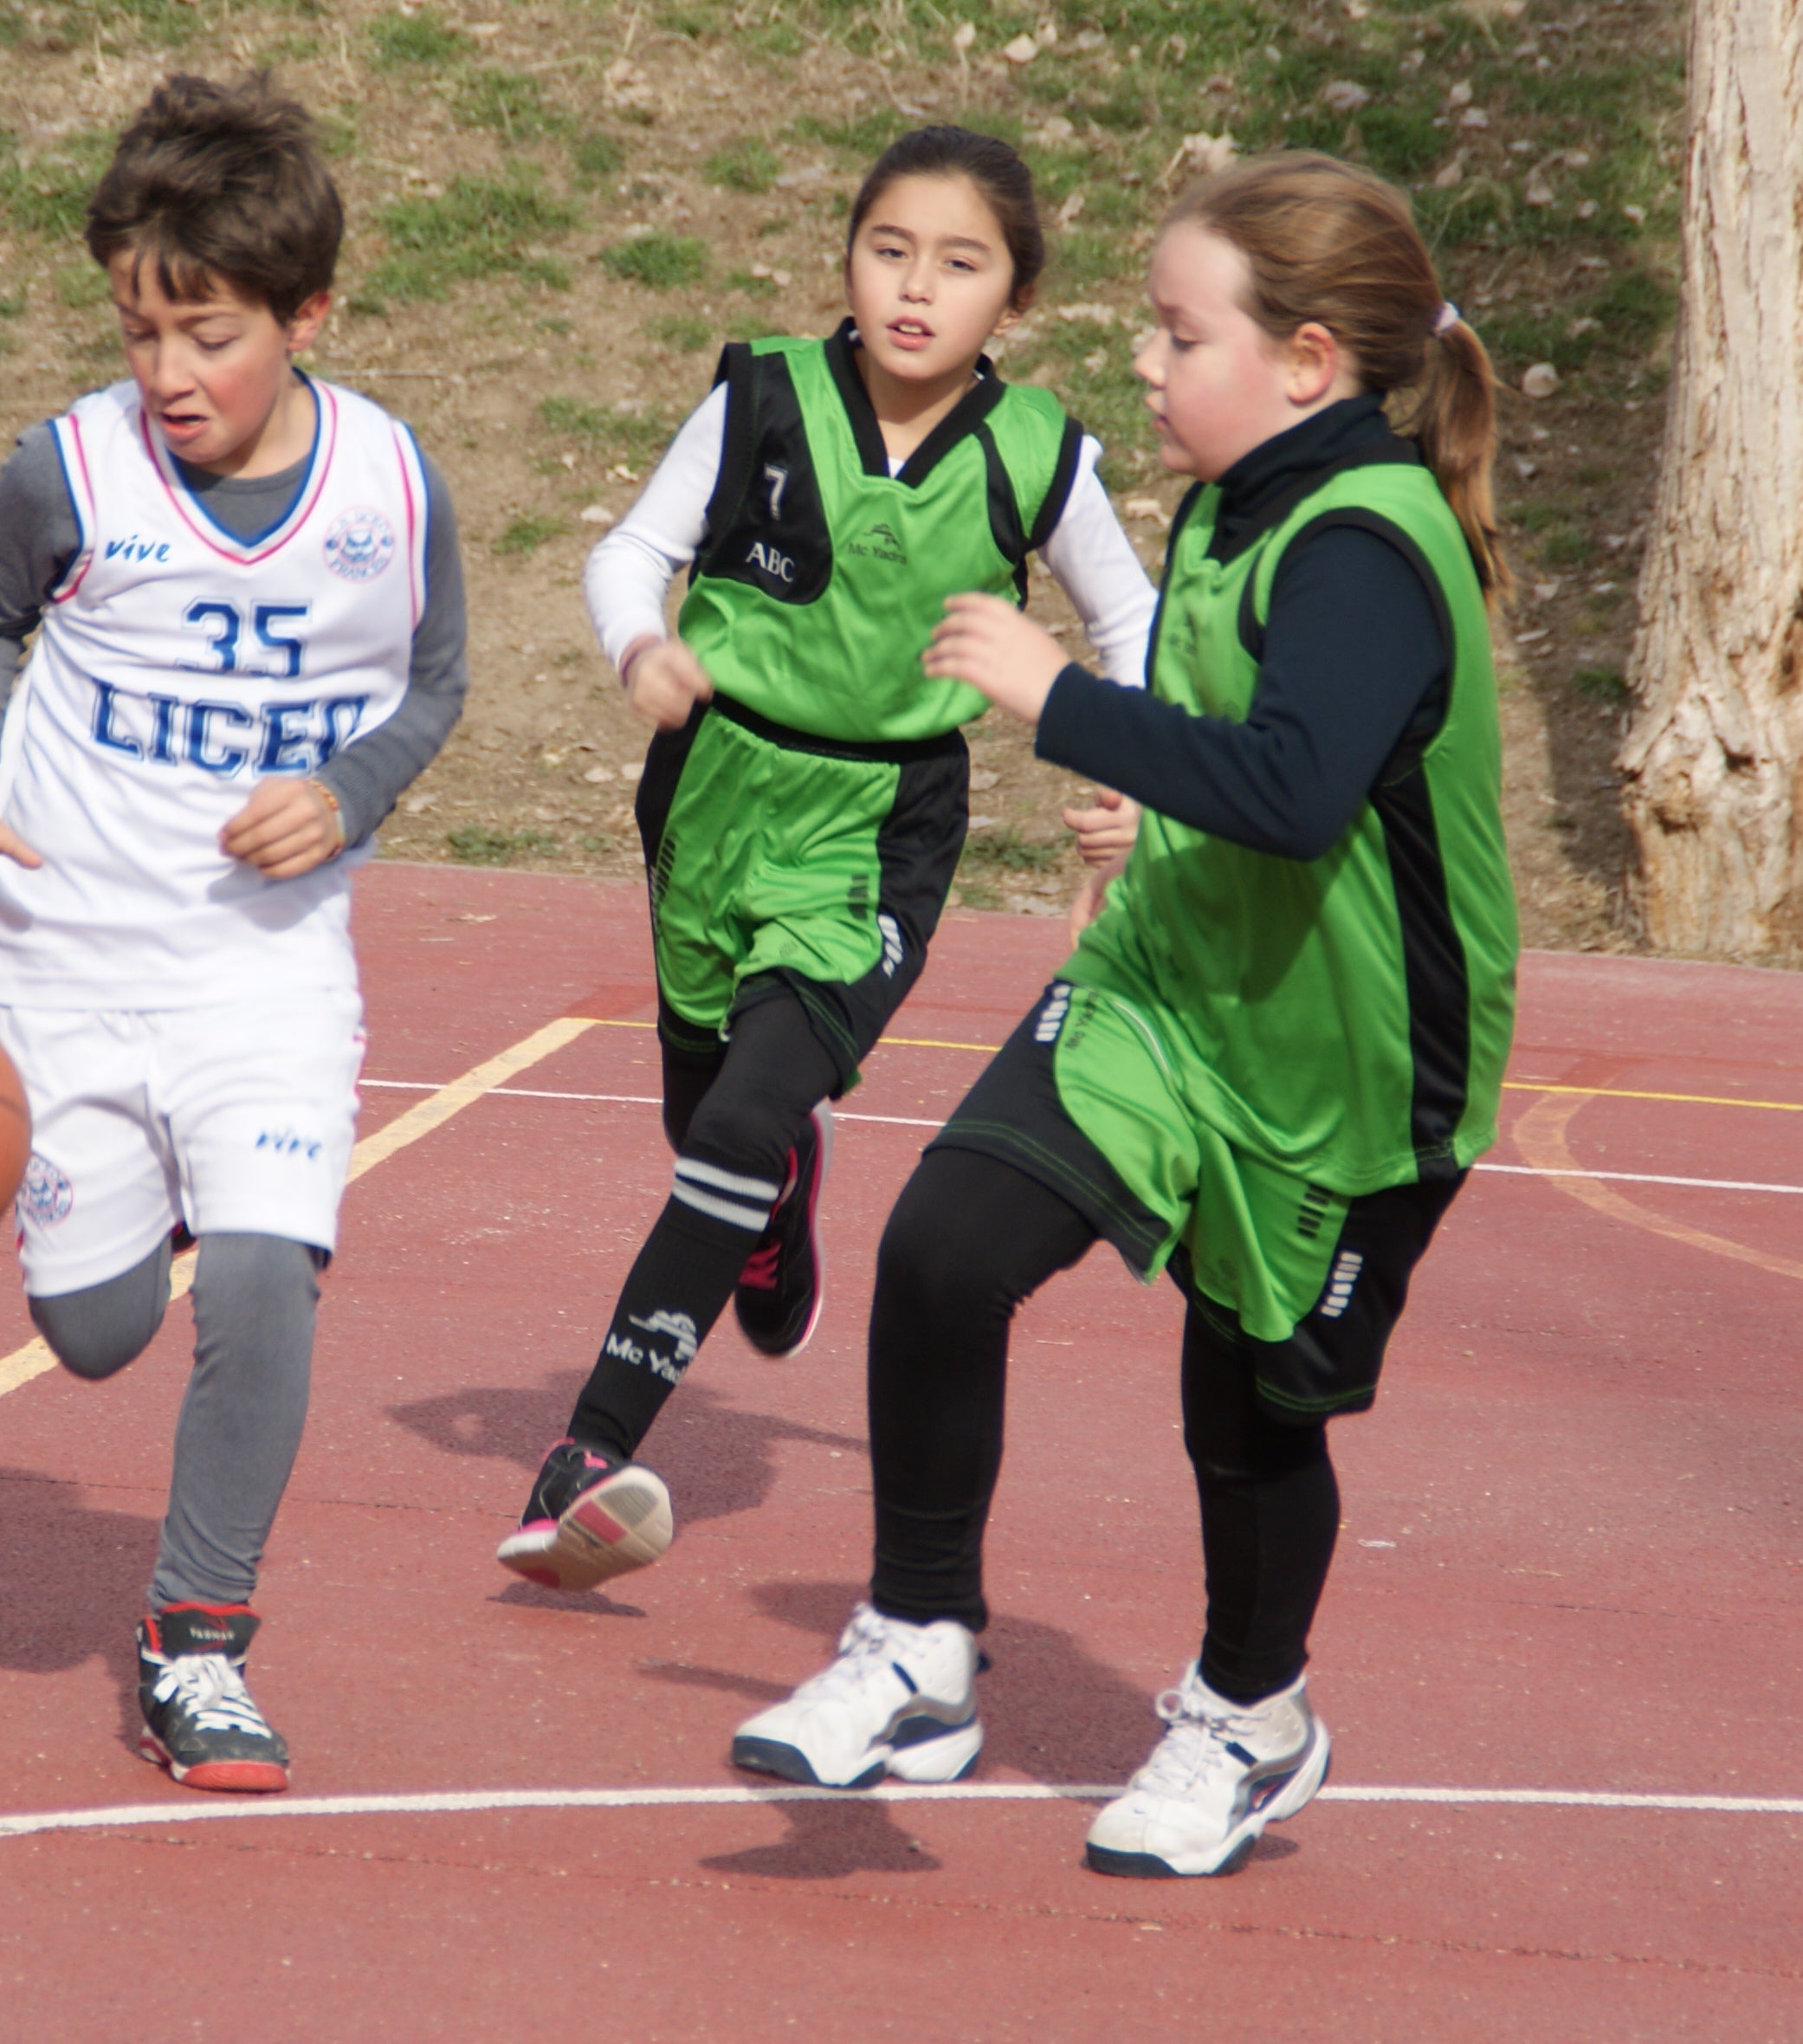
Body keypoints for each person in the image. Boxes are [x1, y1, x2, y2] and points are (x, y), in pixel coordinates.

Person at [728, 152, 1520, 1881]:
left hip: (1349, 1068)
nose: (1144, 366)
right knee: (941, 1248)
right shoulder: (1233, 497)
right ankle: (921, 1645)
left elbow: (1305, 790)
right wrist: (1140, 811)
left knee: (1246, 1415)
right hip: (1172, 987)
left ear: (1304, 360)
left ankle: (1250, 1714)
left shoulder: (1367, 543)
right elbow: (1236, 762)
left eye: (1177, 334)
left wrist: (1061, 703)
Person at [0, 74, 467, 1793]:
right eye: (140, 333)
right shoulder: (71, 472)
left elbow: (432, 682)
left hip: (260, 969)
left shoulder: (388, 485)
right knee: (97, 1330)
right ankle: (175, 1188)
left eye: (204, 336)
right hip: (55, 961)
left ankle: (196, 1646)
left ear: (307, 314)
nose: (167, 376)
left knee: (265, 1286)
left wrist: (349, 789)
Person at [496, 126, 1158, 1595]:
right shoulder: (761, 401)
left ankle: (590, 1448)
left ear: (1014, 299)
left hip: (877, 833)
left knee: (731, 1124)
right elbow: (625, 554)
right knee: (711, 1122)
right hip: (712, 795)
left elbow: (1137, 625)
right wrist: (641, 646)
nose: (917, 287)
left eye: (960, 263)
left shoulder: (1039, 453)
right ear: (847, 262)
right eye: (889, 250)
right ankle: (780, 1190)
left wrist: (1127, 771)